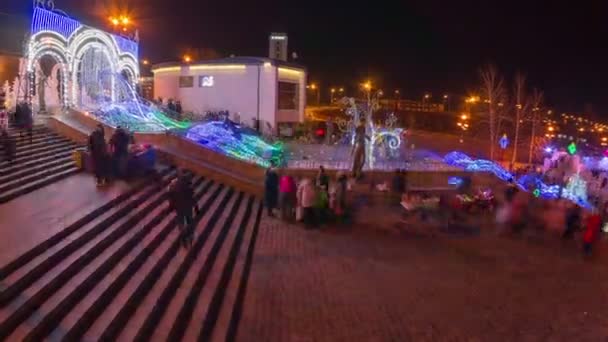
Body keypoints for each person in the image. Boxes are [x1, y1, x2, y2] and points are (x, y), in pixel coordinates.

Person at [168, 171, 196, 249]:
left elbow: (171, 196)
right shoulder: (189, 186)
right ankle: (189, 236)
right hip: (187, 207)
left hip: (179, 207)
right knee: (189, 221)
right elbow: (192, 197)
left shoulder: (174, 185)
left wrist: (171, 206)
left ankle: (184, 237)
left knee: (181, 222)